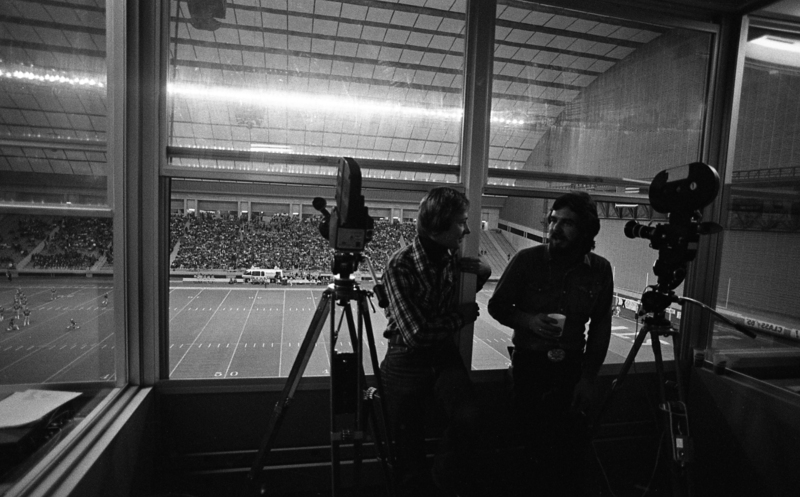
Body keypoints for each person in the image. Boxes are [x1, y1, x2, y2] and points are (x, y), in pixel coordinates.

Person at [488, 191, 613, 497]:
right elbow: (497, 306)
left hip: (572, 370)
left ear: (586, 230)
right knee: (528, 450)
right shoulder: (526, 261)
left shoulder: (600, 270)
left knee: (569, 454)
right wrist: (528, 321)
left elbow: (601, 326)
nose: (555, 228)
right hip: (529, 368)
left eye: (567, 223)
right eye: (554, 220)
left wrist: (588, 378)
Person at [379, 187, 492, 497]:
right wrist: (460, 318)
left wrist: (483, 273)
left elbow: (457, 293)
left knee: (469, 417)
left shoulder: (452, 260)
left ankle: (441, 484)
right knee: (407, 451)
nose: (467, 230)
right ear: (440, 224)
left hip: (441, 354)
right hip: (405, 357)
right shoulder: (400, 265)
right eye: (461, 222)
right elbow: (416, 335)